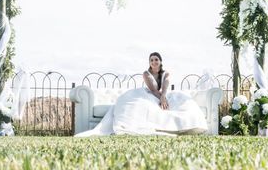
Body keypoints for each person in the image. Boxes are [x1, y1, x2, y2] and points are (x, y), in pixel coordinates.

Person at [76, 52, 208, 136]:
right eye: (151, 60)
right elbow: (153, 90)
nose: (154, 62)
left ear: (160, 61)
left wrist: (164, 98)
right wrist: (161, 98)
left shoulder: (166, 73)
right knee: (141, 105)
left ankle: (186, 126)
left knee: (183, 103)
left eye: (156, 59)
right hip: (151, 93)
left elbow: (165, 87)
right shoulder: (146, 74)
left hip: (163, 94)